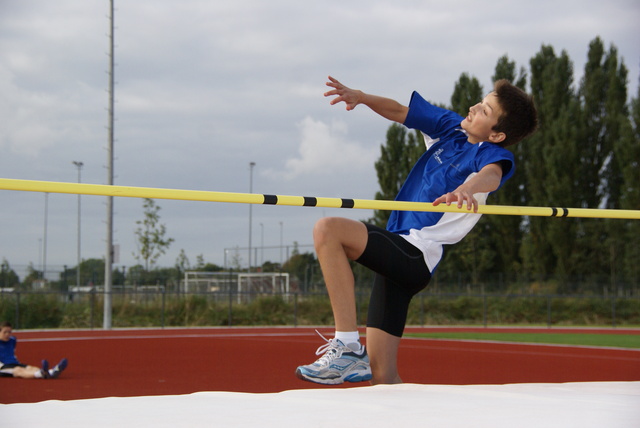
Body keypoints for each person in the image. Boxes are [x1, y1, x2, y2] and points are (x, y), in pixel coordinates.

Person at [296, 76, 538, 385]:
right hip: (400, 257)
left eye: (485, 110)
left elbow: (490, 175)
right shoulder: (451, 128)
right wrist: (362, 96)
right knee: (383, 379)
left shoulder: (489, 155)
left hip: (415, 255)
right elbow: (400, 111)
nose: (474, 107)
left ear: (496, 134)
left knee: (328, 229)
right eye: (481, 101)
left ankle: (346, 345)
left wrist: (466, 188)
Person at [0, 321, 68, 379]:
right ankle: (42, 374)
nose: (7, 334)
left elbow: (11, 352)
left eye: (9, 332)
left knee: (32, 368)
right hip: (3, 367)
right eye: (5, 332)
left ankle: (52, 372)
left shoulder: (12, 340)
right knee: (18, 370)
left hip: (15, 363)